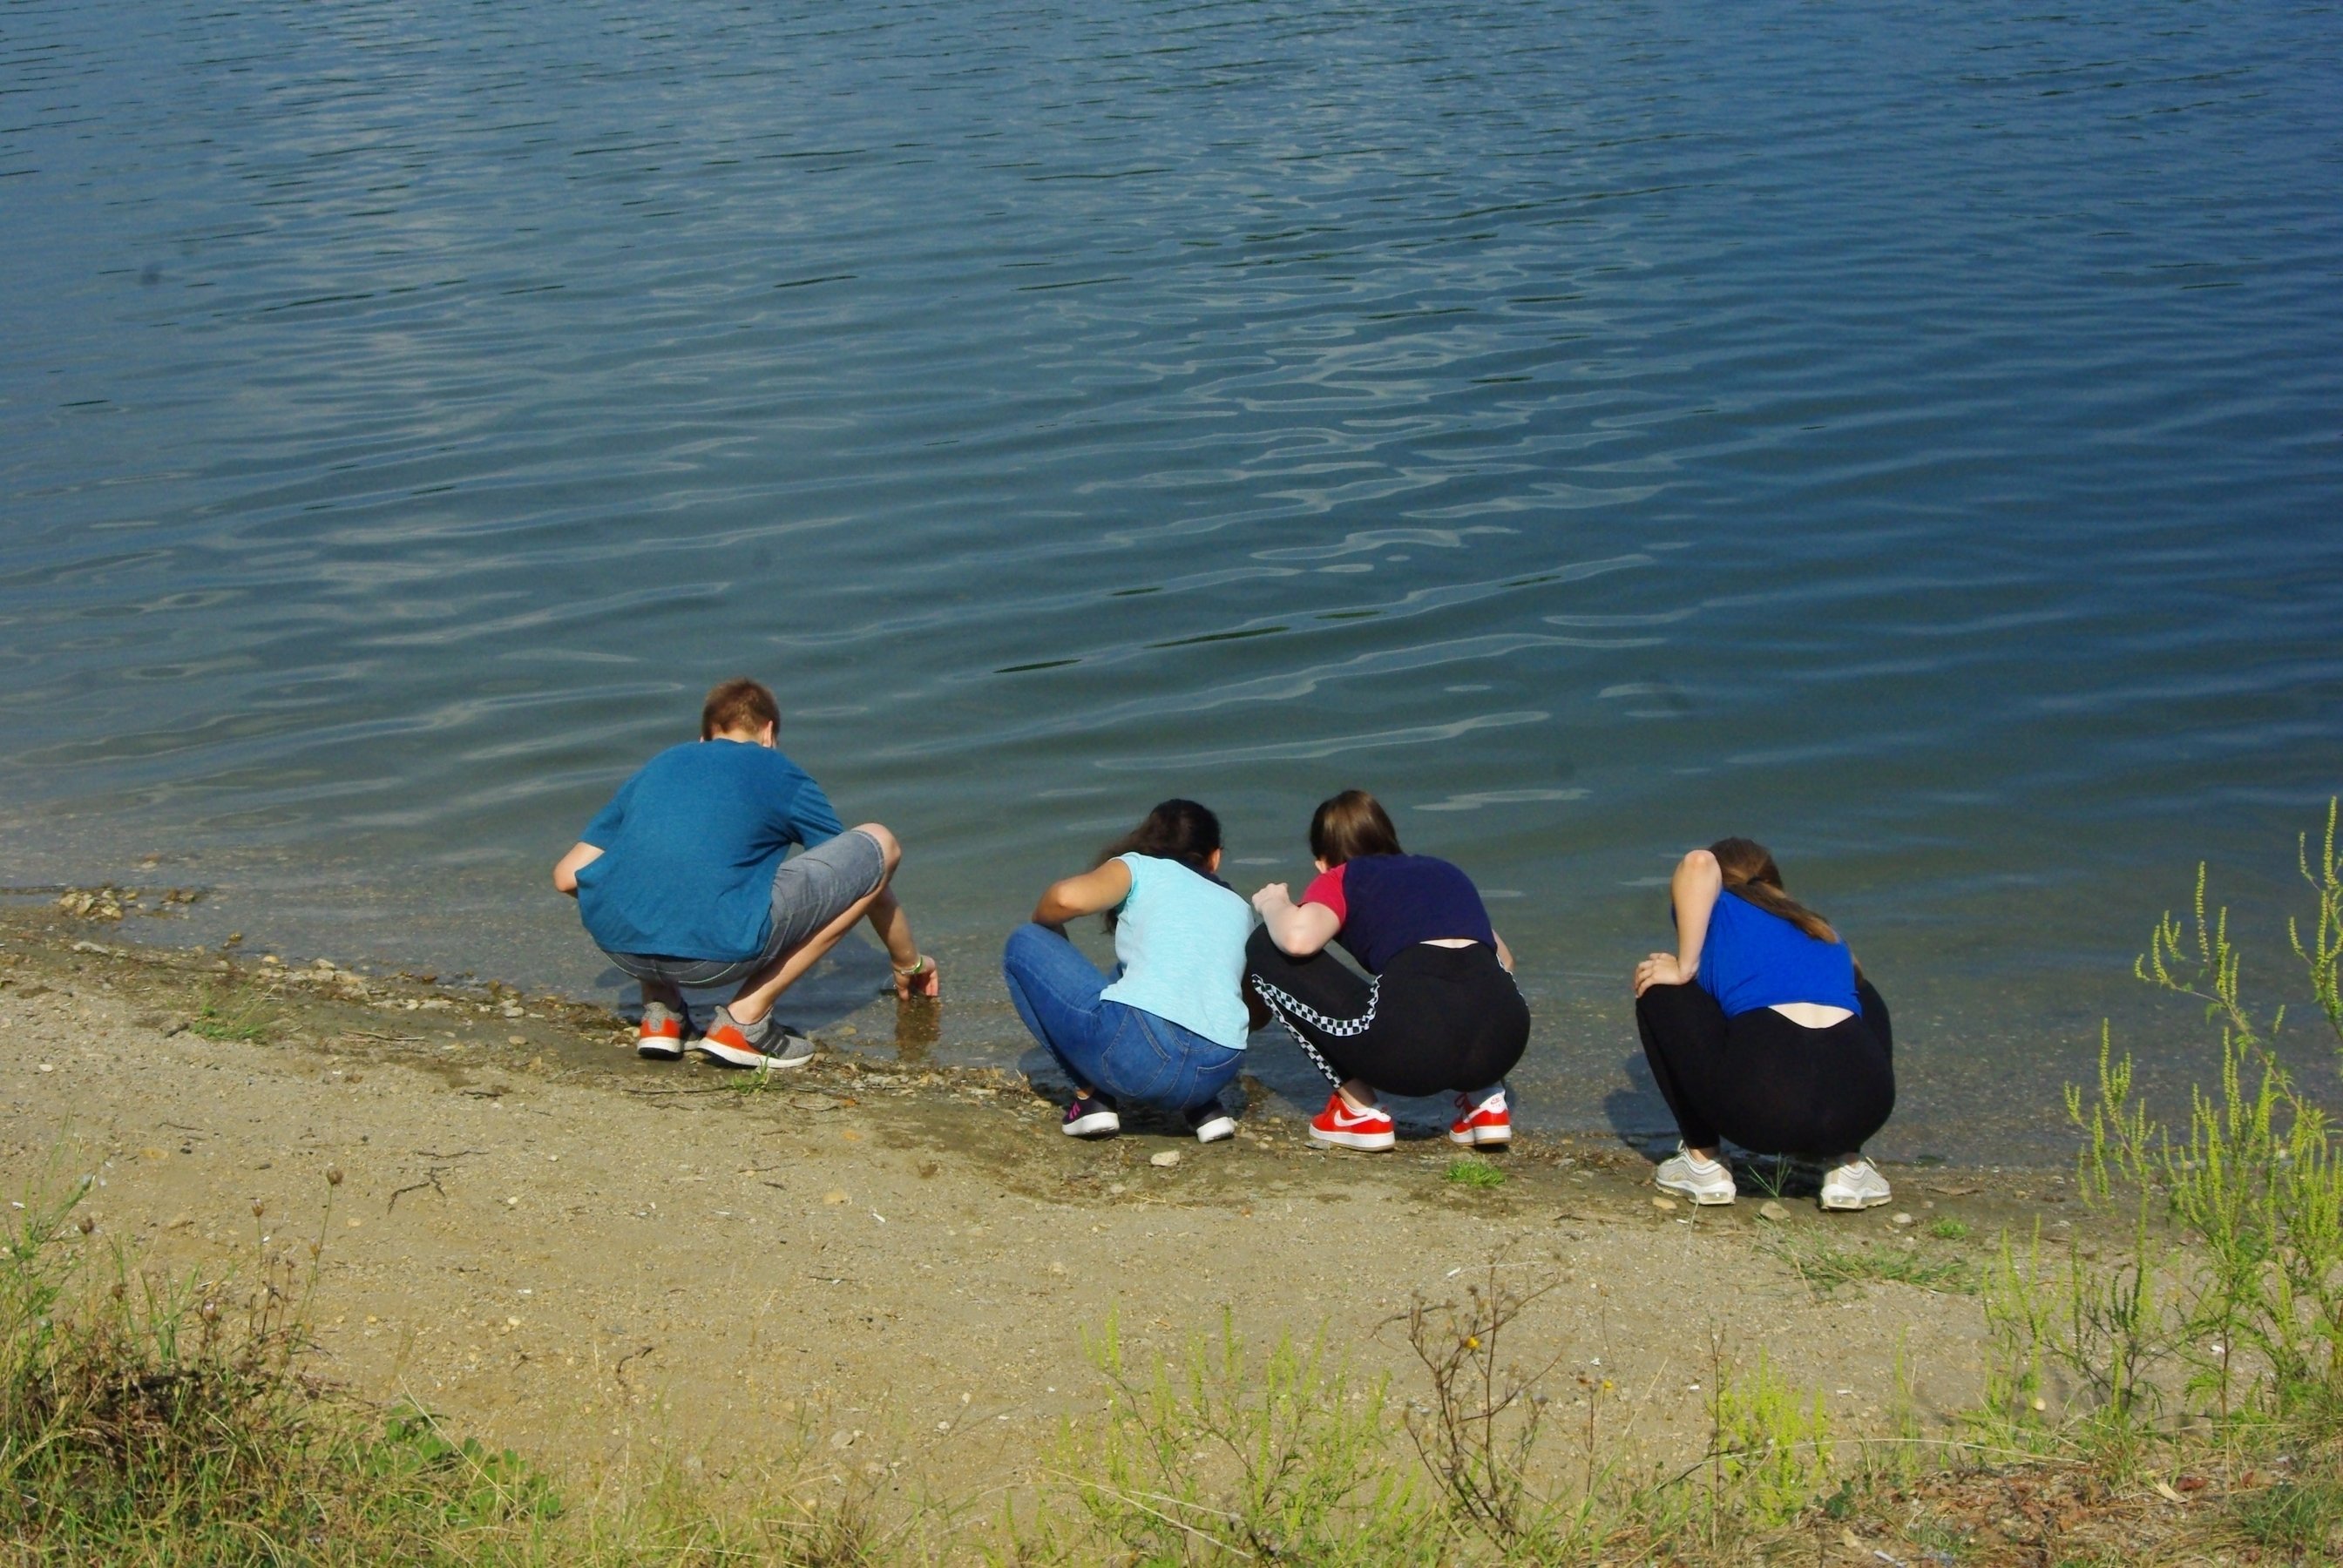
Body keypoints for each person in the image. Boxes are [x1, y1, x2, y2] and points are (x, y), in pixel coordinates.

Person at [552, 678, 939, 1070]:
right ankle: (745, 1020)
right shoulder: (778, 770)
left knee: (661, 874)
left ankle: (662, 1012)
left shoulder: (660, 764)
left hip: (623, 952)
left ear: (704, 738)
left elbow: (567, 875)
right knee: (880, 841)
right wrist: (907, 962)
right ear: (769, 733)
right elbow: (864, 878)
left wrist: (648, 922)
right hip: (718, 958)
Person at [1246, 789, 1528, 1152]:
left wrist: (1274, 903)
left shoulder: (1343, 876)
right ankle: (1486, 1103)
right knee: (1469, 977)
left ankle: (1358, 1112)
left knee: (1266, 946)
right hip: (1503, 1043)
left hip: (1414, 1057)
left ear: (1322, 862)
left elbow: (1297, 940)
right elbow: (1504, 959)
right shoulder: (1445, 872)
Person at [1630, 837, 1893, 1210]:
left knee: (1661, 985)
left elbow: (1698, 863)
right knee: (1860, 990)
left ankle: (1702, 1163)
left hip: (1764, 1114)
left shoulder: (1720, 907)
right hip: (1862, 1111)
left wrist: (1684, 967)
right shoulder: (1820, 928)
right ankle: (1848, 1165)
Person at [1002, 800, 1255, 1143]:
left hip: (1142, 1059)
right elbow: (1253, 1013)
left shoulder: (1140, 866)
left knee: (1023, 942)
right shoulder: (1240, 907)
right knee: (1131, 980)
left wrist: (1046, 931)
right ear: (1215, 858)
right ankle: (1203, 1110)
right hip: (1217, 1070)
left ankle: (1091, 1099)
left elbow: (1064, 898)